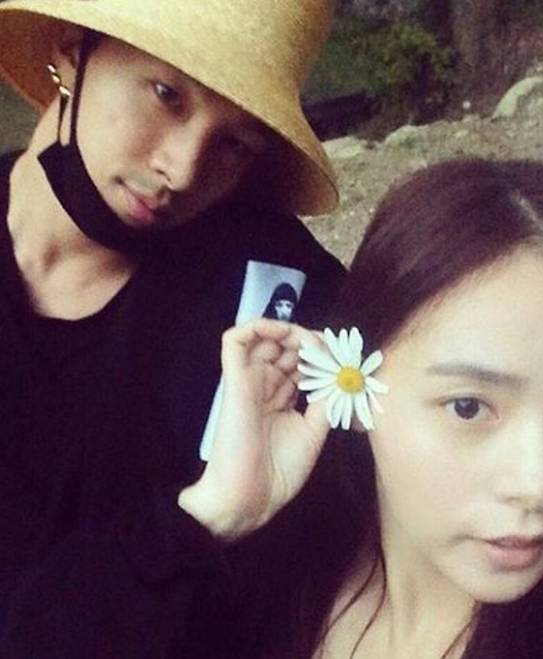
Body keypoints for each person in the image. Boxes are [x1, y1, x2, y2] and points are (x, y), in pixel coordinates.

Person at [174, 158, 543, 658]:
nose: (539, 485)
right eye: (468, 407)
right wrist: (213, 515)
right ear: (353, 385)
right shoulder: (265, 578)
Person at [0, 0, 344, 654]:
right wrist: (197, 524)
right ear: (71, 49)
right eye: (167, 95)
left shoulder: (274, 297)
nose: (183, 170)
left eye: (235, 142)